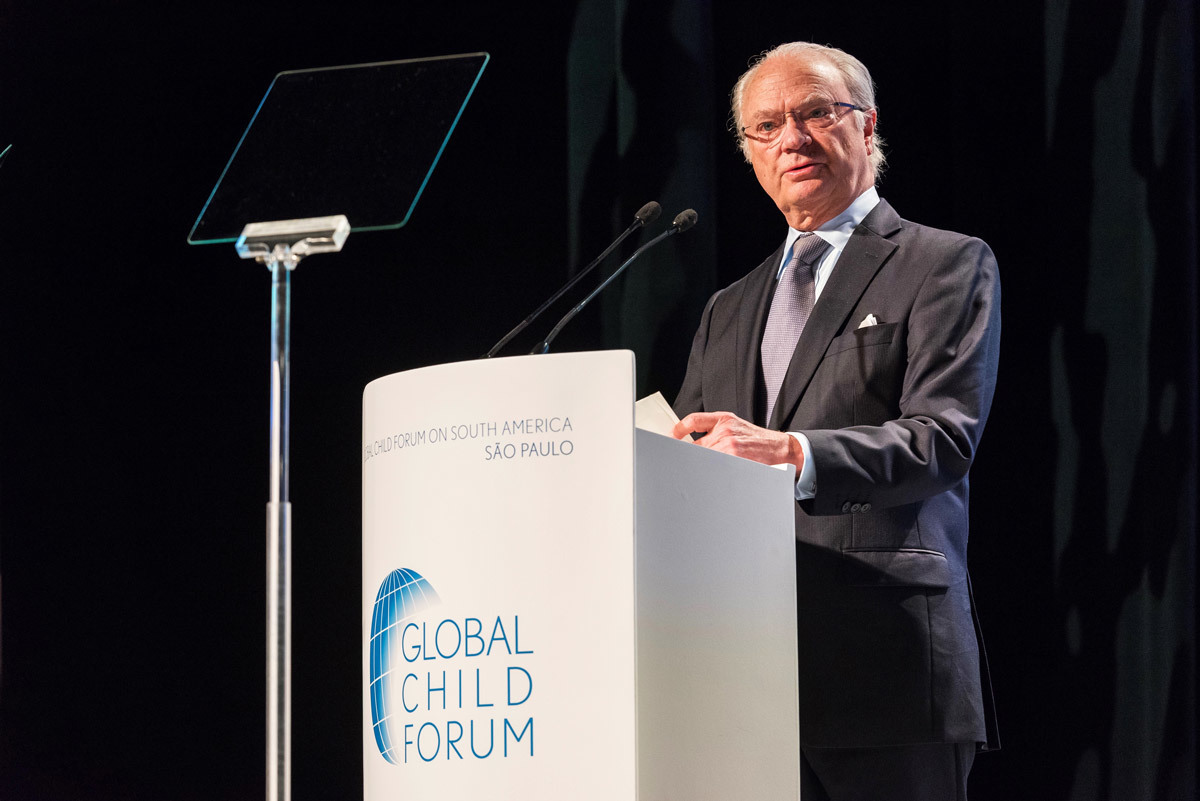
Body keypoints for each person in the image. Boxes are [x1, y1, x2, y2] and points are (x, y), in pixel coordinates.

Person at [672, 42, 1000, 801]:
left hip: (886, 666)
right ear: (750, 152)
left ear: (867, 126)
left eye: (816, 112)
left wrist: (791, 451)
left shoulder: (943, 263)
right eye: (767, 126)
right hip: (741, 676)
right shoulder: (728, 307)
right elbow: (689, 468)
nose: (792, 138)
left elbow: (942, 438)